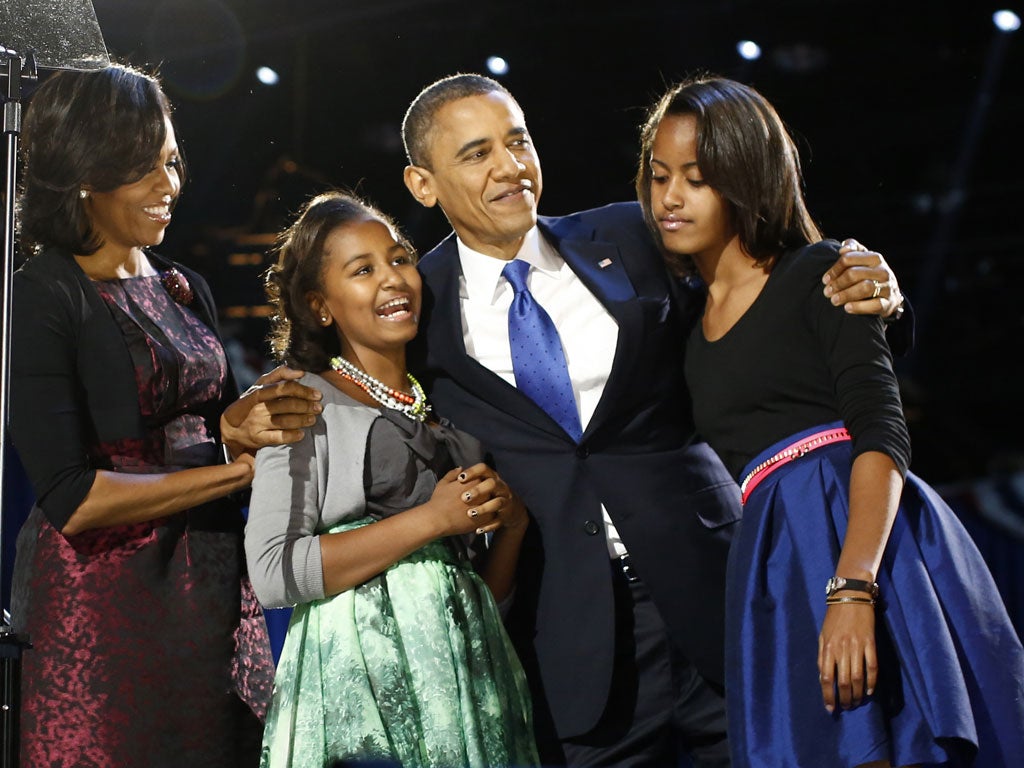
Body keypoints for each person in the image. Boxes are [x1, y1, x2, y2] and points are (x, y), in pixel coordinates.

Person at [399, 73, 909, 766]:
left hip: (729, 596)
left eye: (517, 142)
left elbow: (772, 292)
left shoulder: (634, 233)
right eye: (476, 153)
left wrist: (880, 295)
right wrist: (247, 413)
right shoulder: (412, 307)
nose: (509, 168)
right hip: (576, 643)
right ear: (423, 185)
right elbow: (338, 371)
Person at [636, 75, 1024, 768]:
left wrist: (853, 587)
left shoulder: (824, 271)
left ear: (746, 176)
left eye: (697, 177)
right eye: (660, 175)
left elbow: (883, 433)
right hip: (773, 560)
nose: (670, 197)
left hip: (859, 539)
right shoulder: (686, 328)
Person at [9, 64, 323, 766]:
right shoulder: (42, 297)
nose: (169, 187)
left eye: (172, 163)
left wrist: (248, 424)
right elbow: (75, 498)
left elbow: (212, 427)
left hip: (206, 594)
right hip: (100, 612)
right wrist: (233, 468)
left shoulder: (183, 287)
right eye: (143, 168)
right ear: (84, 172)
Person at [244, 190, 540, 768]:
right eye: (363, 270)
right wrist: (433, 518)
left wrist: (513, 527)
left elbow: (479, 594)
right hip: (364, 700)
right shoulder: (301, 403)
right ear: (320, 305)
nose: (393, 279)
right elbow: (274, 573)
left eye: (400, 258)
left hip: (467, 687)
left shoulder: (449, 412)